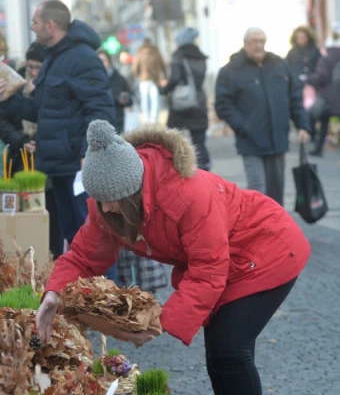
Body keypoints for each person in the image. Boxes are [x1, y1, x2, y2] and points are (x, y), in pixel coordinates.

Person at [36, 120, 311, 395]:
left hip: (267, 249)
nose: (106, 207)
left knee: (229, 351)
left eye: (112, 199)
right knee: (221, 356)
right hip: (225, 261)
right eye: (99, 199)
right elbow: (83, 256)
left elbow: (207, 271)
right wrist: (53, 294)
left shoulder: (188, 195)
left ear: (131, 192)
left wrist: (158, 324)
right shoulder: (109, 209)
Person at [0, 0, 115, 246]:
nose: (33, 28)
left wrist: (92, 151)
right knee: (74, 237)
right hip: (58, 165)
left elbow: (100, 110)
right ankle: (83, 285)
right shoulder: (53, 59)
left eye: (35, 22)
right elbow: (39, 109)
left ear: (50, 25)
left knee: (92, 239)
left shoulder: (83, 58)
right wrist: (5, 99)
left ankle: (104, 285)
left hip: (79, 166)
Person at [214, 27, 311, 207]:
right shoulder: (231, 70)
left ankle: (276, 230)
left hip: (278, 138)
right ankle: (257, 230)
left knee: (276, 192)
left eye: (262, 41)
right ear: (245, 44)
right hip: (250, 140)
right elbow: (222, 104)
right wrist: (243, 126)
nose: (259, 45)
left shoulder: (279, 65)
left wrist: (303, 125)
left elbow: (294, 98)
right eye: (254, 42)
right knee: (256, 190)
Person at [0, 42, 65, 260]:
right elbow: (2, 121)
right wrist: (22, 141)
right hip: (20, 162)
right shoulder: (16, 87)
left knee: (53, 222)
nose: (34, 72)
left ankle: (51, 265)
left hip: (51, 168)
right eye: (30, 67)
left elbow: (64, 123)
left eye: (39, 67)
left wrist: (42, 142)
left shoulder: (56, 89)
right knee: (22, 222)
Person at [160, 27, 211, 171]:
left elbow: (175, 78)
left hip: (181, 103)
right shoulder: (200, 56)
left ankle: (176, 168)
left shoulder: (178, 55)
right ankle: (204, 170)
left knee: (173, 138)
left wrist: (164, 90)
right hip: (199, 101)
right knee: (199, 141)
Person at [306, 24, 340, 157]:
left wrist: (308, 79)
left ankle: (318, 149)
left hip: (328, 98)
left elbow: (321, 77)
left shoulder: (326, 58)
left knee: (324, 123)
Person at [97, 49, 133, 134]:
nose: (101, 63)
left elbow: (130, 100)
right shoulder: (92, 81)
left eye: (103, 60)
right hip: (99, 123)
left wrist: (125, 99)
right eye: (98, 61)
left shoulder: (119, 79)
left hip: (117, 122)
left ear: (109, 61)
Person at [132, 38, 166, 125]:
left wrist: (139, 75)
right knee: (155, 99)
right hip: (155, 79)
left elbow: (135, 67)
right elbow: (163, 65)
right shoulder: (156, 51)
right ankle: (154, 119)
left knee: (144, 100)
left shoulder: (140, 52)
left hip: (143, 79)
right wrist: (165, 76)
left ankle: (146, 119)